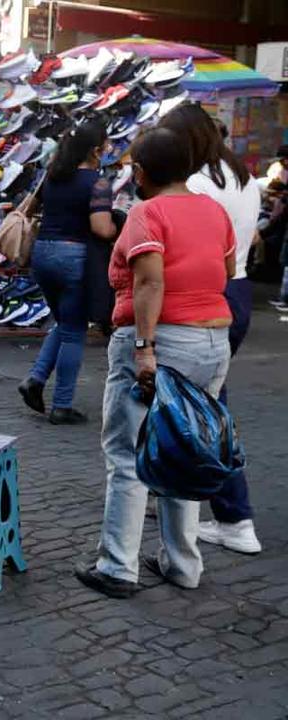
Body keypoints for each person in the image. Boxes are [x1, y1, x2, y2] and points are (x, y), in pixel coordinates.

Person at [77, 128, 235, 598]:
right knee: (185, 449)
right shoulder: (214, 209)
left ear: (141, 172)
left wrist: (145, 347)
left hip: (160, 339)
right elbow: (226, 270)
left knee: (127, 454)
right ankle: (182, 565)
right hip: (212, 340)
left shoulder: (148, 212)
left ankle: (118, 566)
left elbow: (149, 283)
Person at [160, 104, 262, 555]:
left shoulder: (199, 184)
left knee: (205, 412)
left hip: (206, 297)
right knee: (201, 405)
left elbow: (187, 248)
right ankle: (172, 491)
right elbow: (249, 239)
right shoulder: (240, 176)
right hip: (235, 291)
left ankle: (235, 517)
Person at [18, 121, 115, 425]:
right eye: (106, 146)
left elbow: (27, 209)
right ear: (95, 150)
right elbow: (101, 228)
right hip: (74, 256)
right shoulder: (96, 182)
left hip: (42, 254)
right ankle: (61, 405)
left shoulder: (53, 176)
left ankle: (34, 380)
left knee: (64, 322)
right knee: (74, 331)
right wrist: (119, 225)